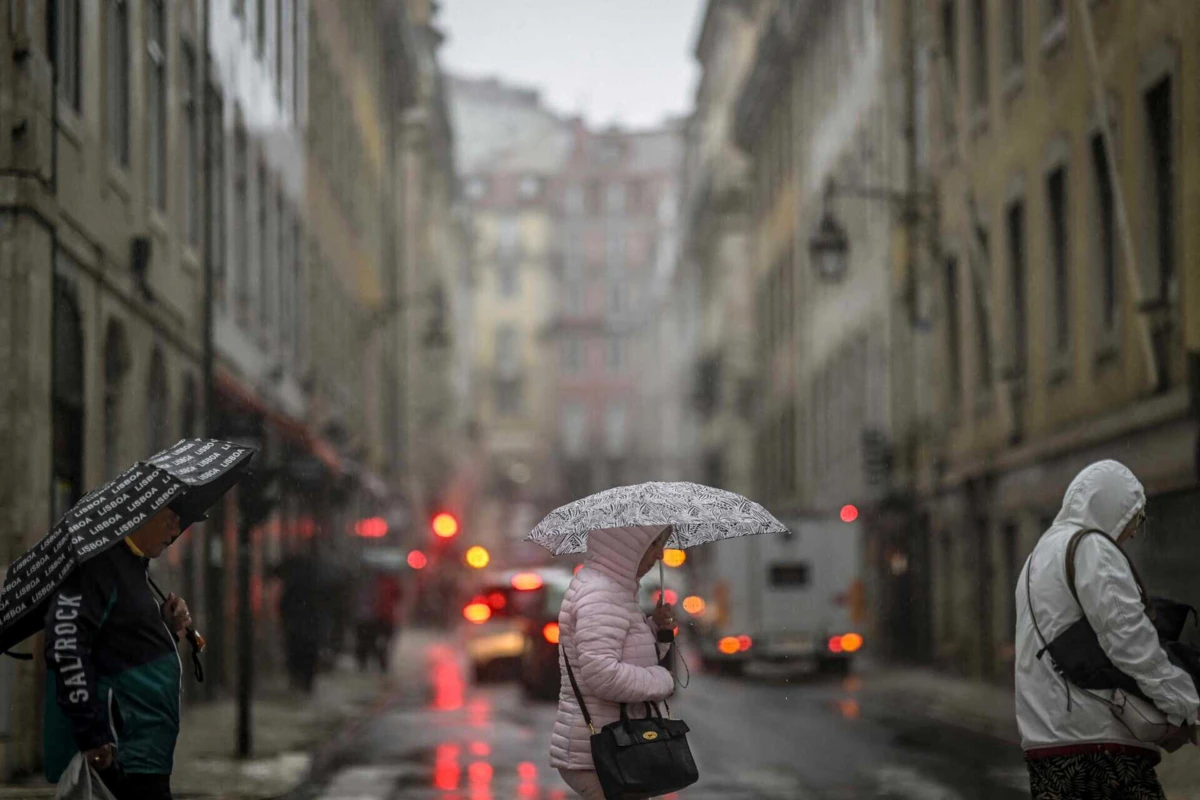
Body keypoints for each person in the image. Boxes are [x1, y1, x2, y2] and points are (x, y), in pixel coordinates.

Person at [1016, 460, 1200, 799]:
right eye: (1134, 517)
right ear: (1111, 507)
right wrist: (1186, 706)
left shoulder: (1036, 558)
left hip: (1047, 750)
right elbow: (1129, 640)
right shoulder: (1092, 548)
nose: (1133, 531)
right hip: (1097, 748)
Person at [43, 506, 193, 800]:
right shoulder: (98, 568)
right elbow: (66, 647)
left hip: (149, 757)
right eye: (170, 519)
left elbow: (125, 647)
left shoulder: (134, 568)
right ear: (142, 513)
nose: (175, 532)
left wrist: (165, 626)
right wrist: (94, 740)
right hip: (123, 759)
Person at [550, 526, 677, 799]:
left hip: (616, 744)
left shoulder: (616, 589)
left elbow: (626, 652)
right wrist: (662, 680)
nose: (660, 554)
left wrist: (657, 629)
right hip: (601, 751)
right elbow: (602, 674)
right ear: (628, 545)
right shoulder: (601, 594)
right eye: (654, 543)